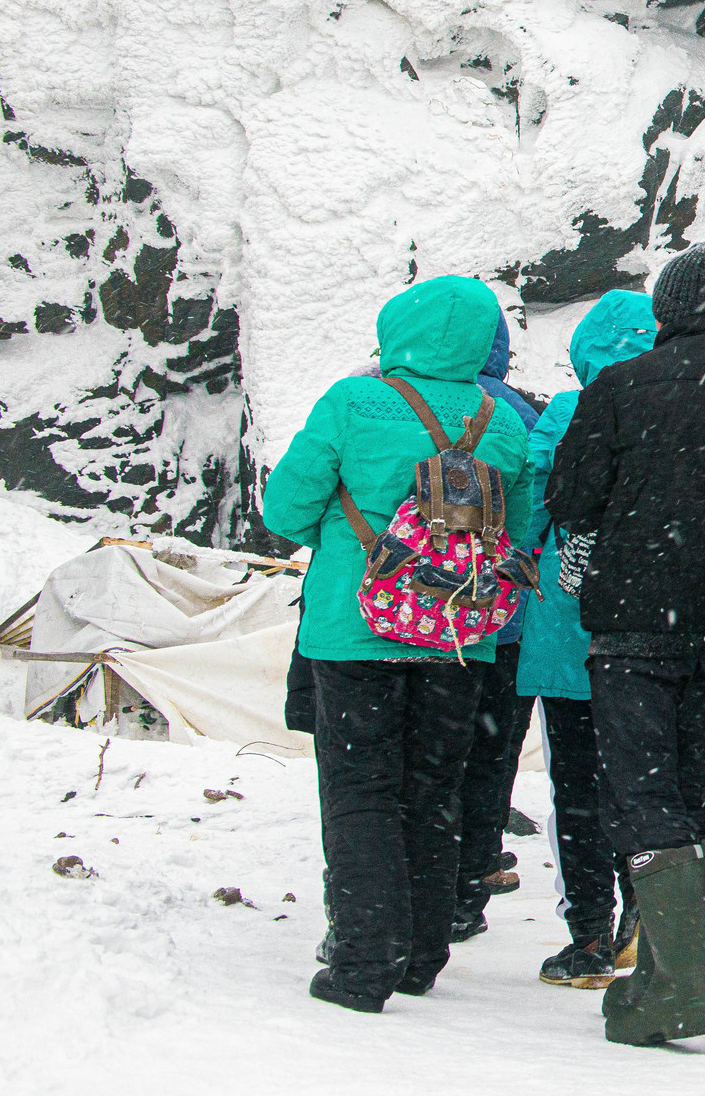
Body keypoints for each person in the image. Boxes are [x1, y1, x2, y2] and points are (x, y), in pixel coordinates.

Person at [547, 244, 705, 1046]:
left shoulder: (619, 388)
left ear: (664, 309)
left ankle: (681, 987)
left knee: (641, 793)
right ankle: (663, 973)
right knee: (692, 793)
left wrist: (580, 575)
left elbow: (573, 500)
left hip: (632, 627)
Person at [263, 274, 537, 1013]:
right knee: (433, 792)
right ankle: (420, 951)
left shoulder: (352, 402)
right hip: (458, 635)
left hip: (354, 630)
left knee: (361, 793)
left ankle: (362, 957)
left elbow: (285, 508)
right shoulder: (506, 422)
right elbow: (524, 527)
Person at [517, 288, 658, 987]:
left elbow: (530, 502)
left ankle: (589, 938)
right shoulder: (672, 415)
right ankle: (644, 910)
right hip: (641, 627)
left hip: (565, 629)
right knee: (632, 781)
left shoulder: (569, 412)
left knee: (574, 786)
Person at [450, 306, 546, 943]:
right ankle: (469, 885)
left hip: (412, 620)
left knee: (429, 761)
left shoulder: (383, 399)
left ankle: (416, 884)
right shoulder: (520, 415)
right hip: (499, 622)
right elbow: (536, 519)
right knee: (491, 758)